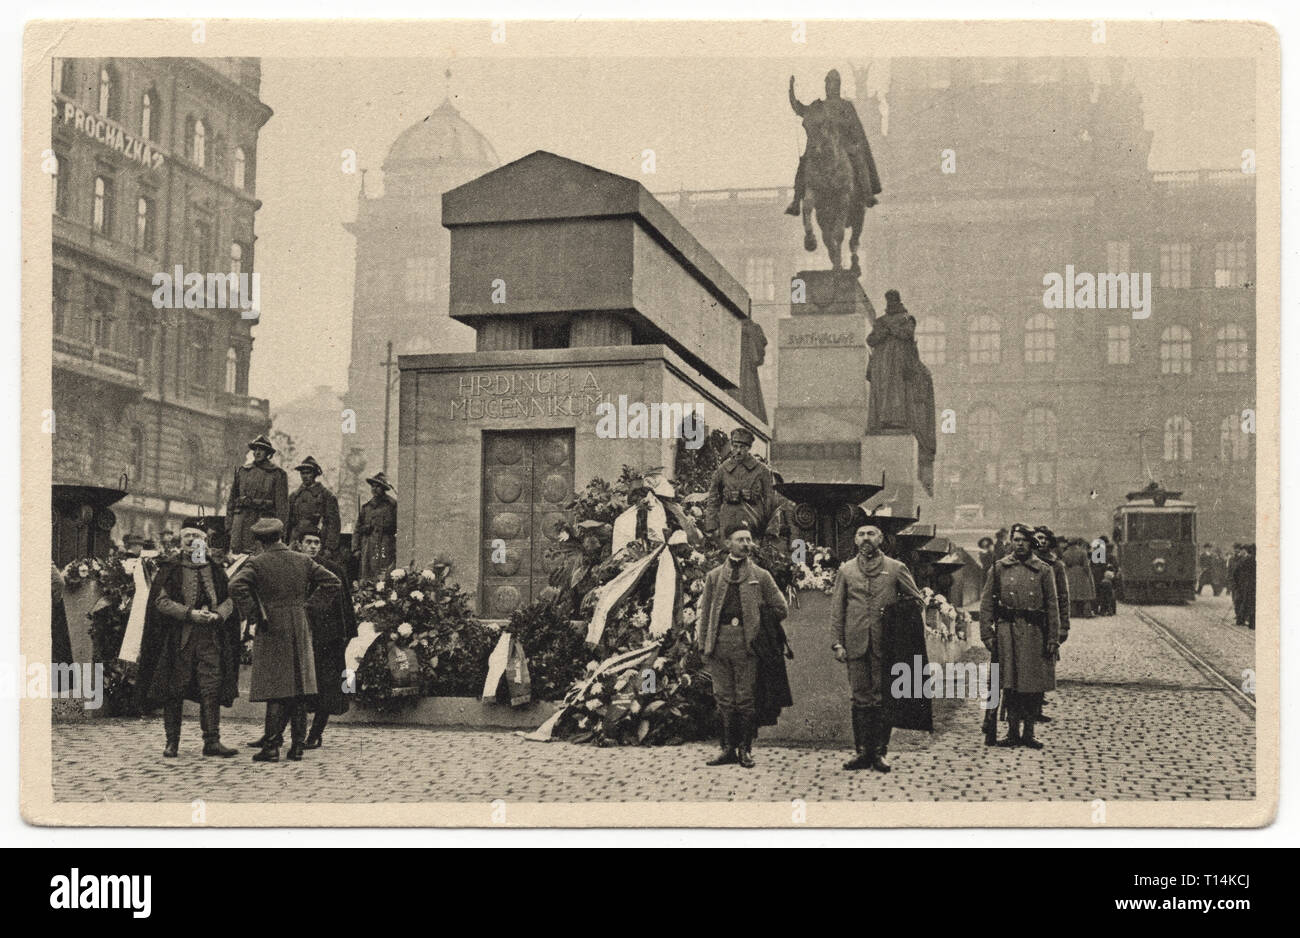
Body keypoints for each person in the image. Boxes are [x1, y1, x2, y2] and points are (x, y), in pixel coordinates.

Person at [229, 518, 341, 762]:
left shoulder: (257, 563)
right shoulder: (302, 560)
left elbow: (235, 585)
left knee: (276, 690)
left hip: (272, 627)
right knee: (299, 688)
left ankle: (271, 747)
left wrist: (255, 613)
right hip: (299, 625)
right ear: (281, 536)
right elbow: (333, 582)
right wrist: (309, 608)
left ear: (259, 540)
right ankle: (297, 747)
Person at [133, 520, 241, 758]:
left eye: (197, 536)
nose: (192, 540)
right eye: (187, 536)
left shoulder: (215, 569)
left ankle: (212, 741)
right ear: (180, 541)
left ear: (205, 540)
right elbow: (160, 602)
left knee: (210, 688)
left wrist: (217, 614)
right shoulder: (170, 568)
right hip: (179, 641)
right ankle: (172, 742)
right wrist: (189, 614)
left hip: (210, 639)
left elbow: (230, 601)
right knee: (175, 689)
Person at [830, 523, 926, 771]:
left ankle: (880, 753)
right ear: (855, 540)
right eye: (861, 534)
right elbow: (837, 610)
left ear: (881, 538)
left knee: (883, 698)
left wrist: (895, 615)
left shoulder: (895, 568)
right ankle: (862, 752)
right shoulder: (847, 570)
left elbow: (917, 601)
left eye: (871, 534)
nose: (866, 538)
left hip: (887, 645)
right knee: (860, 698)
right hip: (855, 644)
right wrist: (837, 643)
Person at [696, 520, 789, 769]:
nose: (747, 544)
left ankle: (745, 750)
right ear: (728, 543)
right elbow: (705, 614)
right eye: (741, 540)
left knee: (745, 698)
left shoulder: (761, 576)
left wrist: (759, 625)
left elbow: (781, 608)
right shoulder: (714, 577)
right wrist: (704, 644)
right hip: (719, 643)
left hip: (747, 646)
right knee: (723, 697)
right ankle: (727, 749)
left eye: (749, 540)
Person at [979, 523, 1060, 749]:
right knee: (1010, 684)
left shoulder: (1044, 570)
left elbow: (1052, 606)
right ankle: (1012, 732)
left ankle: (1029, 733)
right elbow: (986, 604)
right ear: (1011, 542)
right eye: (1016, 540)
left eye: (1024, 540)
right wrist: (987, 634)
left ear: (1032, 543)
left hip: (1035, 633)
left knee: (1032, 686)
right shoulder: (998, 568)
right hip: (1007, 633)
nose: (1020, 544)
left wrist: (1053, 637)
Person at [785, 69, 882, 217]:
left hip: (844, 145)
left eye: (832, 83)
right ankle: (796, 201)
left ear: (838, 85)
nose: (829, 86)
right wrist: (791, 91)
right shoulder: (818, 106)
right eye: (827, 83)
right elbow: (799, 109)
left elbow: (855, 128)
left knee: (859, 159)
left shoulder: (846, 106)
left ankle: (868, 194)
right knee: (803, 164)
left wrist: (853, 141)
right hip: (822, 147)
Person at [296, 522, 357, 748]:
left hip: (327, 640)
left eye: (316, 543)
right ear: (299, 545)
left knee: (327, 689)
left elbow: (345, 607)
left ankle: (315, 734)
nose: (312, 547)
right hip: (301, 636)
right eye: (308, 542)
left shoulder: (333, 569)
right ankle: (289, 733)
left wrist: (344, 636)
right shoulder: (295, 567)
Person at [703, 428, 778, 548]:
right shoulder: (722, 470)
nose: (738, 451)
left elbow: (771, 502)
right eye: (735, 446)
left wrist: (770, 531)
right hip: (727, 525)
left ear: (749, 448)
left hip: (754, 525)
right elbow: (713, 500)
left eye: (742, 447)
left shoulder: (762, 471)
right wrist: (712, 527)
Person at [1032, 526, 1070, 725]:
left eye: (1046, 539)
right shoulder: (1026, 561)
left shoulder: (1057, 565)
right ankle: (1024, 709)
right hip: (1028, 618)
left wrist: (1064, 625)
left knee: (1045, 665)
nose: (1042, 542)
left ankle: (1037, 707)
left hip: (1048, 621)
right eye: (1038, 538)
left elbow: (1063, 596)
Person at [226, 434, 289, 554]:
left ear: (268, 453)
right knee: (236, 557)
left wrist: (281, 532)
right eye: (255, 449)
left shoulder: (277, 474)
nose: (257, 452)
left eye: (261, 449)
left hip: (262, 524)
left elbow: (282, 507)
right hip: (240, 525)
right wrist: (229, 525)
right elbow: (232, 501)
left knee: (258, 557)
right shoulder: (243, 471)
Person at [287, 456, 341, 561]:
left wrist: (329, 548)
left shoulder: (326, 496)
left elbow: (333, 524)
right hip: (296, 541)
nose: (305, 476)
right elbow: (288, 522)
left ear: (315, 474)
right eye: (302, 473)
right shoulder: (294, 496)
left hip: (316, 542)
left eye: (308, 473)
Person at [356, 472, 398, 581]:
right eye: (373, 486)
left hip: (385, 546)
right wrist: (355, 548)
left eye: (378, 486)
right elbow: (357, 528)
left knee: (383, 576)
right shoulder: (366, 507)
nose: (374, 489)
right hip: (368, 548)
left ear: (383, 488)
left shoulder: (392, 505)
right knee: (366, 576)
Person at [1061, 537, 1095, 619]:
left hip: (1070, 573)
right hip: (1081, 573)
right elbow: (1086, 565)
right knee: (1085, 594)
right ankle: (1087, 612)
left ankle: (1073, 613)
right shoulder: (1082, 552)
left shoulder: (1065, 553)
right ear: (1077, 543)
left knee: (1072, 595)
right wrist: (1088, 574)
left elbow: (1064, 565)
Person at [1231, 544, 1256, 629]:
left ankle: (1241, 620)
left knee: (1245, 603)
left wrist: (1238, 583)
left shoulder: (1245, 560)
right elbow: (1236, 573)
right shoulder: (1251, 560)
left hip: (1245, 585)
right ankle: (1251, 623)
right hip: (1250, 585)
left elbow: (1235, 573)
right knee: (1249, 603)